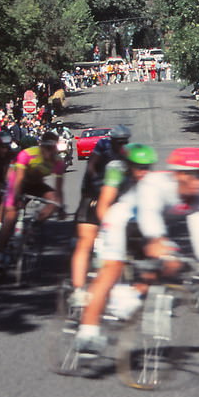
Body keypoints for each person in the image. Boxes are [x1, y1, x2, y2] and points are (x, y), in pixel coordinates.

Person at [74, 147, 199, 353]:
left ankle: (131, 295)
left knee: (172, 263)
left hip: (144, 229)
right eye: (196, 176)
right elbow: (148, 213)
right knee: (112, 270)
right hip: (121, 221)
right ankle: (87, 332)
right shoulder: (155, 184)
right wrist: (157, 240)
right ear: (179, 174)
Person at [70, 125, 131, 300]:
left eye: (124, 142)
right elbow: (91, 165)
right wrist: (95, 183)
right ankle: (78, 290)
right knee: (85, 241)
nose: (121, 145)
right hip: (92, 193)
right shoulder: (103, 146)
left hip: (115, 195)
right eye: (118, 142)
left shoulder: (126, 152)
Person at [0, 131, 66, 269]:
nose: (49, 152)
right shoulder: (27, 154)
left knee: (54, 201)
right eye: (46, 148)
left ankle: (35, 224)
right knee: (10, 217)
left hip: (36, 184)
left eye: (52, 149)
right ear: (41, 146)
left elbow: (58, 190)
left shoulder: (58, 162)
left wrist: (60, 206)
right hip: (19, 182)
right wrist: (14, 200)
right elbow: (18, 179)